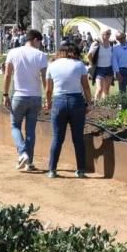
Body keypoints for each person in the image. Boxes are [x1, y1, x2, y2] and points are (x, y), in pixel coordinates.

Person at [45, 42, 92, 178]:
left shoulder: (52, 65)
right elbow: (86, 86)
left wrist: (48, 102)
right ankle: (81, 170)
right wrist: (89, 103)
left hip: (59, 101)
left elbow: (48, 90)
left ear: (60, 52)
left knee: (57, 138)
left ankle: (52, 170)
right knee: (78, 138)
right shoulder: (79, 65)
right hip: (76, 101)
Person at [3, 29, 48, 171]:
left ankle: (23, 153)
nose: (40, 45)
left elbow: (7, 75)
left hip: (19, 95)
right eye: (40, 42)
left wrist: (5, 94)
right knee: (30, 130)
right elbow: (45, 78)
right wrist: (48, 97)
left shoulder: (13, 52)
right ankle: (29, 162)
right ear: (35, 40)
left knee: (15, 126)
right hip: (35, 96)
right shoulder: (41, 55)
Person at [88, 29, 115, 99]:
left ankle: (105, 105)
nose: (109, 35)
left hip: (109, 68)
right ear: (102, 34)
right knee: (99, 89)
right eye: (107, 33)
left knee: (106, 90)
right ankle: (96, 104)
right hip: (99, 69)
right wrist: (91, 64)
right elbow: (89, 55)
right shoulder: (96, 43)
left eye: (110, 33)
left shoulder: (111, 43)